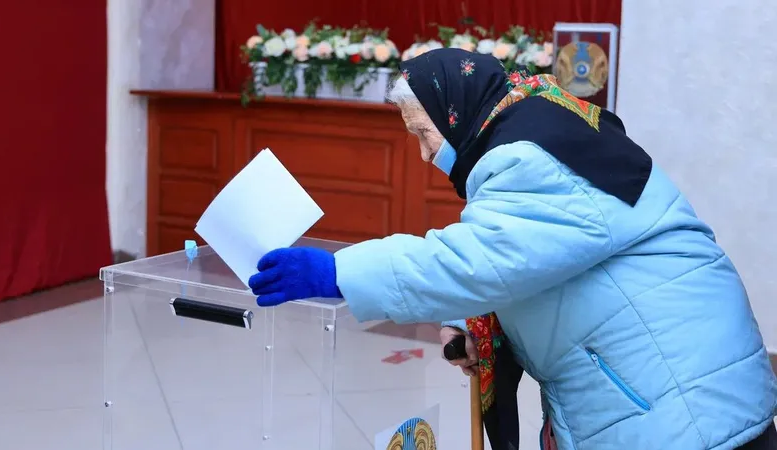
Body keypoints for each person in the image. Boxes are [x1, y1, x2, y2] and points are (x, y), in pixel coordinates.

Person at [247, 48, 777, 449]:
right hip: (681, 391)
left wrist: (340, 272)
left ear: (454, 112)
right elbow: (537, 258)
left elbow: (477, 264)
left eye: (423, 134)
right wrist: (472, 320)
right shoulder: (542, 126)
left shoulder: (528, 157)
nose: (423, 153)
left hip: (682, 407)